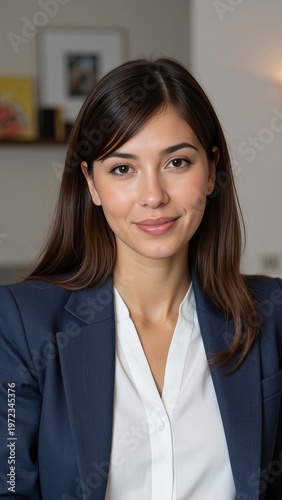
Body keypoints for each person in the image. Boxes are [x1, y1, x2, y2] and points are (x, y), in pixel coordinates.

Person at [0, 57, 281, 500]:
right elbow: (9, 486)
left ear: (210, 171)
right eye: (123, 169)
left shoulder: (272, 315)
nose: (153, 196)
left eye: (177, 163)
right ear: (91, 185)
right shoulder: (21, 324)